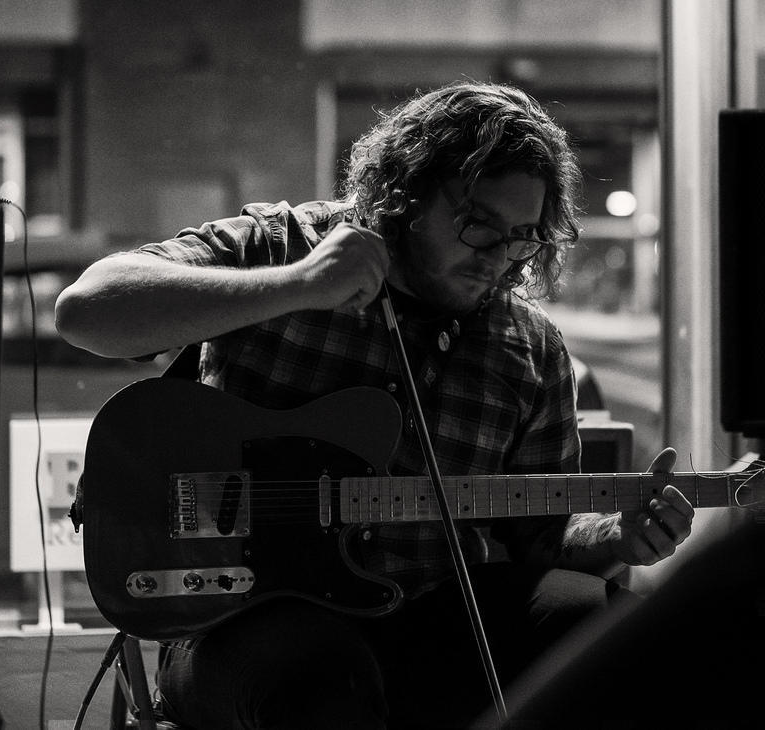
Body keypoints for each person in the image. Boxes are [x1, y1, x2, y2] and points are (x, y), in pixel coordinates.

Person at [54, 80, 695, 729]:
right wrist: (295, 287)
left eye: (523, 237)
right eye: (478, 227)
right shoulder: (285, 247)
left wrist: (615, 535)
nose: (499, 260)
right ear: (407, 194)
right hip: (240, 618)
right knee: (321, 685)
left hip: (438, 615)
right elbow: (86, 312)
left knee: (615, 635)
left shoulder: (530, 347)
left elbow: (542, 538)